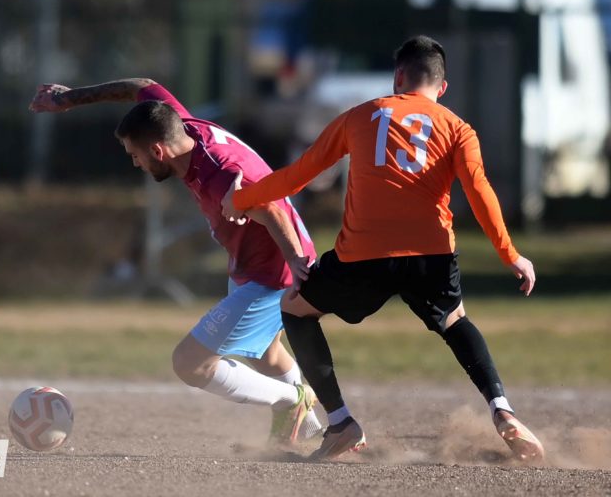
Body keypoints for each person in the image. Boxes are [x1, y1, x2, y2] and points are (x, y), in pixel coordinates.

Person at [222, 35, 545, 462]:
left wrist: (242, 199)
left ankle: (341, 422)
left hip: (363, 256)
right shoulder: (457, 128)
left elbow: (299, 175)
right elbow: (479, 190)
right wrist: (510, 254)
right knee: (455, 321)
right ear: (442, 87)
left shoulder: (361, 115)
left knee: (296, 309)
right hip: (431, 254)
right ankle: (502, 410)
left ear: (398, 77)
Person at [29, 78, 323, 444]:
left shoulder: (219, 175)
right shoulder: (181, 125)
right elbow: (141, 86)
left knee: (190, 363)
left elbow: (269, 209)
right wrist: (70, 99)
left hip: (273, 274)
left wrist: (296, 261)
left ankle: (292, 400)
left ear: (158, 150)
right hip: (255, 262)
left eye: (135, 155)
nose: (135, 163)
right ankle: (313, 431)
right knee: (265, 353)